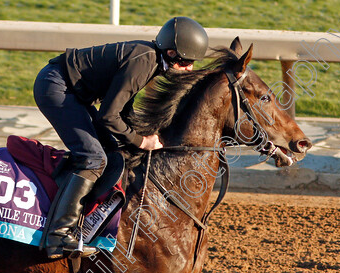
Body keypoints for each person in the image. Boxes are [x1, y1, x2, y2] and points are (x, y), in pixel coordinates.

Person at [34, 16, 209, 259]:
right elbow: (108, 115)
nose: (190, 68)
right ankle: (59, 235)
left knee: (112, 150)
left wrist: (137, 133)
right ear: (171, 53)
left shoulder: (151, 58)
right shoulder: (144, 62)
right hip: (56, 88)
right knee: (93, 158)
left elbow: (121, 105)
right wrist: (141, 141)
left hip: (71, 91)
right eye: (187, 62)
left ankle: (90, 218)